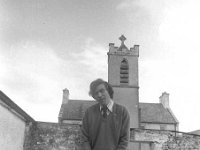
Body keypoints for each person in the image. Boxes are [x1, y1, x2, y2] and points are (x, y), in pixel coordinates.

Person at [81, 78, 130, 150]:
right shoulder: (89, 113)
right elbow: (84, 138)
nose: (99, 95)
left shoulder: (123, 112)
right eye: (96, 93)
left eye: (102, 91)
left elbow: (124, 141)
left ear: (108, 91)